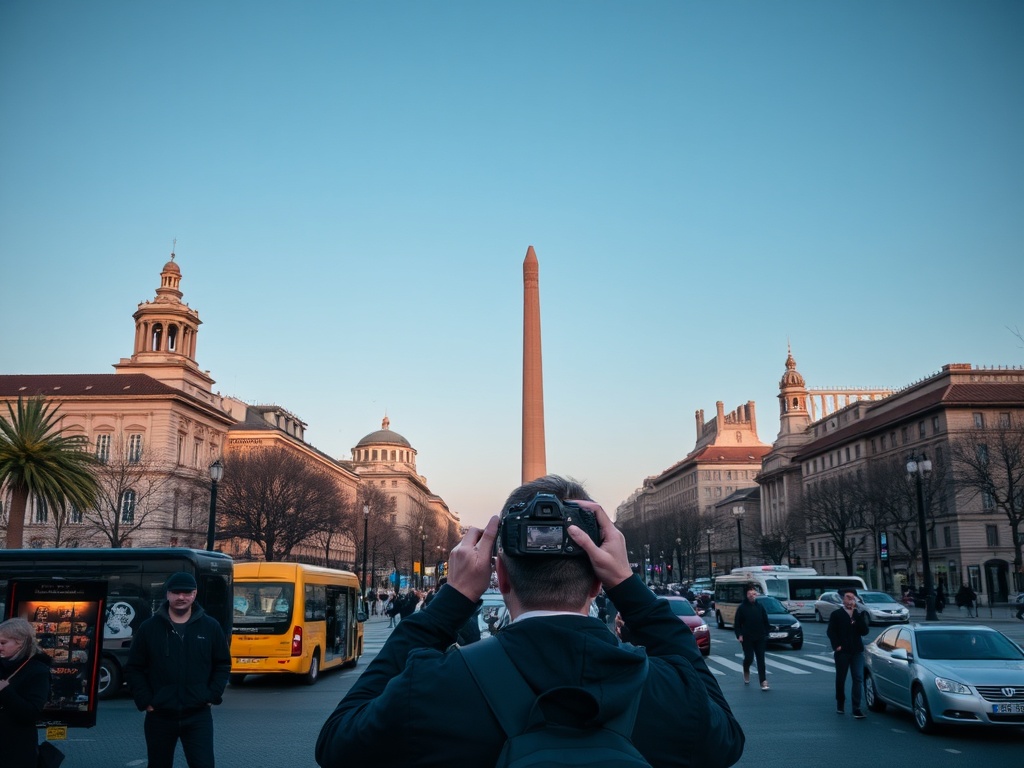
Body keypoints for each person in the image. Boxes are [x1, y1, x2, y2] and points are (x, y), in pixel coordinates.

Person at [315, 474, 745, 767]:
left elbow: (336, 744)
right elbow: (728, 739)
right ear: (600, 582)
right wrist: (630, 588)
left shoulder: (430, 687)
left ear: (498, 576)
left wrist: (451, 598)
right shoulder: (672, 692)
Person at [124, 571, 231, 768]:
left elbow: (222, 664)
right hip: (159, 716)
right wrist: (145, 700)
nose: (181, 597)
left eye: (186, 592)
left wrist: (212, 695)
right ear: (167, 594)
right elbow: (134, 668)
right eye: (176, 592)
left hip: (198, 715)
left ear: (195, 594)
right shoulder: (149, 628)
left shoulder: (210, 627)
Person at [0, 618, 52, 768]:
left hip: (16, 750)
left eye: (3, 643)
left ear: (20, 643)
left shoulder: (37, 671)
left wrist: (5, 691)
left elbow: (32, 713)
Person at [826, 587, 870, 719]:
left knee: (858, 678)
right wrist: (837, 646)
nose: (850, 601)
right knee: (841, 678)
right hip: (842, 652)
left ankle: (856, 707)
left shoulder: (859, 614)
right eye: (848, 598)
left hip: (857, 651)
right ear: (843, 599)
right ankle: (840, 702)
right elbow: (831, 632)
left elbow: (864, 631)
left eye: (853, 598)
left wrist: (856, 616)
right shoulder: (837, 614)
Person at [733, 585, 771, 690]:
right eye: (749, 594)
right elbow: (737, 624)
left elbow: (765, 620)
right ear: (746, 595)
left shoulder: (760, 606)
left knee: (761, 659)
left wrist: (767, 632)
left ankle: (763, 681)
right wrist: (739, 635)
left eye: (753, 594)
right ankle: (746, 669)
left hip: (760, 636)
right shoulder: (742, 608)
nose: (752, 596)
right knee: (749, 657)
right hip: (747, 637)